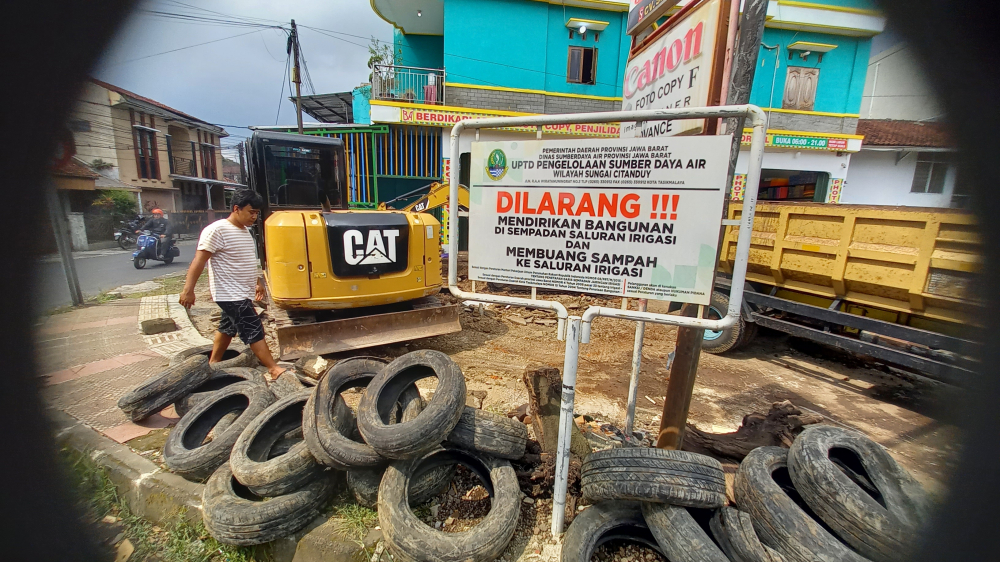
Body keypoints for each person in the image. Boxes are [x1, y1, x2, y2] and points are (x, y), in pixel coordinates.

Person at [178, 190, 285, 379]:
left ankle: (213, 364)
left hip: (241, 292)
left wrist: (257, 282)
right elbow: (199, 261)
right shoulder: (216, 230)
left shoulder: (245, 231)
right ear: (236, 209)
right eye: (251, 212)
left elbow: (248, 261)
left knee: (227, 327)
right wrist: (188, 290)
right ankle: (273, 369)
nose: (254, 217)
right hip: (230, 294)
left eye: (257, 213)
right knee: (253, 328)